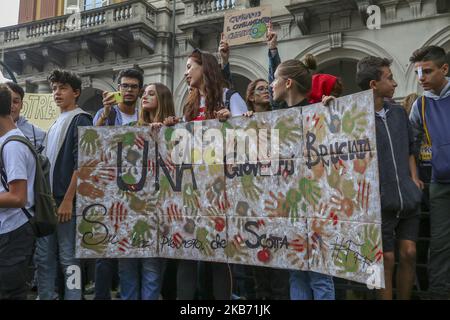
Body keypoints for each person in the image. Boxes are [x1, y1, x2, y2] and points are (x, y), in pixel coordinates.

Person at [166, 49, 247, 300]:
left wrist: (233, 120)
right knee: (188, 253)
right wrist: (170, 127)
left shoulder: (229, 97)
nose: (186, 72)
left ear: (206, 68)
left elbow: (247, 132)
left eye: (191, 66)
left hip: (221, 192)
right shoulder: (190, 104)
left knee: (218, 255)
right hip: (192, 191)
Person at [354, 56, 423, 300]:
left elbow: (410, 149)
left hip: (407, 196)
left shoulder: (397, 112)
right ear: (374, 84)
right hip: (379, 201)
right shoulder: (356, 118)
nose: (394, 83)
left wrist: (414, 178)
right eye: (389, 78)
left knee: (409, 253)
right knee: (387, 259)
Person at [271, 56, 335, 300]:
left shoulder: (319, 111)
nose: (271, 84)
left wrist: (333, 111)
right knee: (296, 271)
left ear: (287, 83)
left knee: (319, 273)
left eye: (275, 79)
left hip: (317, 206)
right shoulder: (274, 118)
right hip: (289, 207)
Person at [35, 70, 92, 300]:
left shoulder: (81, 118)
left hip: (66, 201)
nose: (57, 93)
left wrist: (68, 200)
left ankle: (74, 296)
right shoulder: (56, 122)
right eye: (54, 88)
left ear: (76, 92)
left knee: (69, 258)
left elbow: (84, 164)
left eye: (63, 88)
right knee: (44, 257)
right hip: (48, 201)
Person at [92, 68, 144, 300]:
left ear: (140, 90)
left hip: (136, 193)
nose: (129, 90)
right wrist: (104, 113)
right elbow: (92, 145)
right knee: (105, 250)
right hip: (109, 190)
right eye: (124, 86)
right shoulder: (107, 114)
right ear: (118, 89)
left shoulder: (145, 115)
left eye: (133, 86)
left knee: (129, 249)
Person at [118, 83, 173, 300]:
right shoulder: (131, 127)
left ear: (163, 99)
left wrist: (167, 131)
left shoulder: (175, 128)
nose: (144, 97)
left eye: (151, 93)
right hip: (129, 208)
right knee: (126, 267)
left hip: (158, 212)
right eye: (144, 94)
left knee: (151, 269)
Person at [408, 46, 450, 299]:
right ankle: (439, 294)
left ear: (444, 69)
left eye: (427, 71)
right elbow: (411, 145)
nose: (421, 77)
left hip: (439, 182)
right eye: (418, 72)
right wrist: (414, 175)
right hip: (439, 183)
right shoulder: (419, 105)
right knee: (440, 244)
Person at [0, 85, 36, 300]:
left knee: (10, 293)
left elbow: (18, 197)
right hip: (7, 231)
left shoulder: (13, 145)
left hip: (14, 233)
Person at [5, 82, 45, 152]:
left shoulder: (36, 133)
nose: (11, 106)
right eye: (7, 101)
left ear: (22, 105)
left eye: (15, 102)